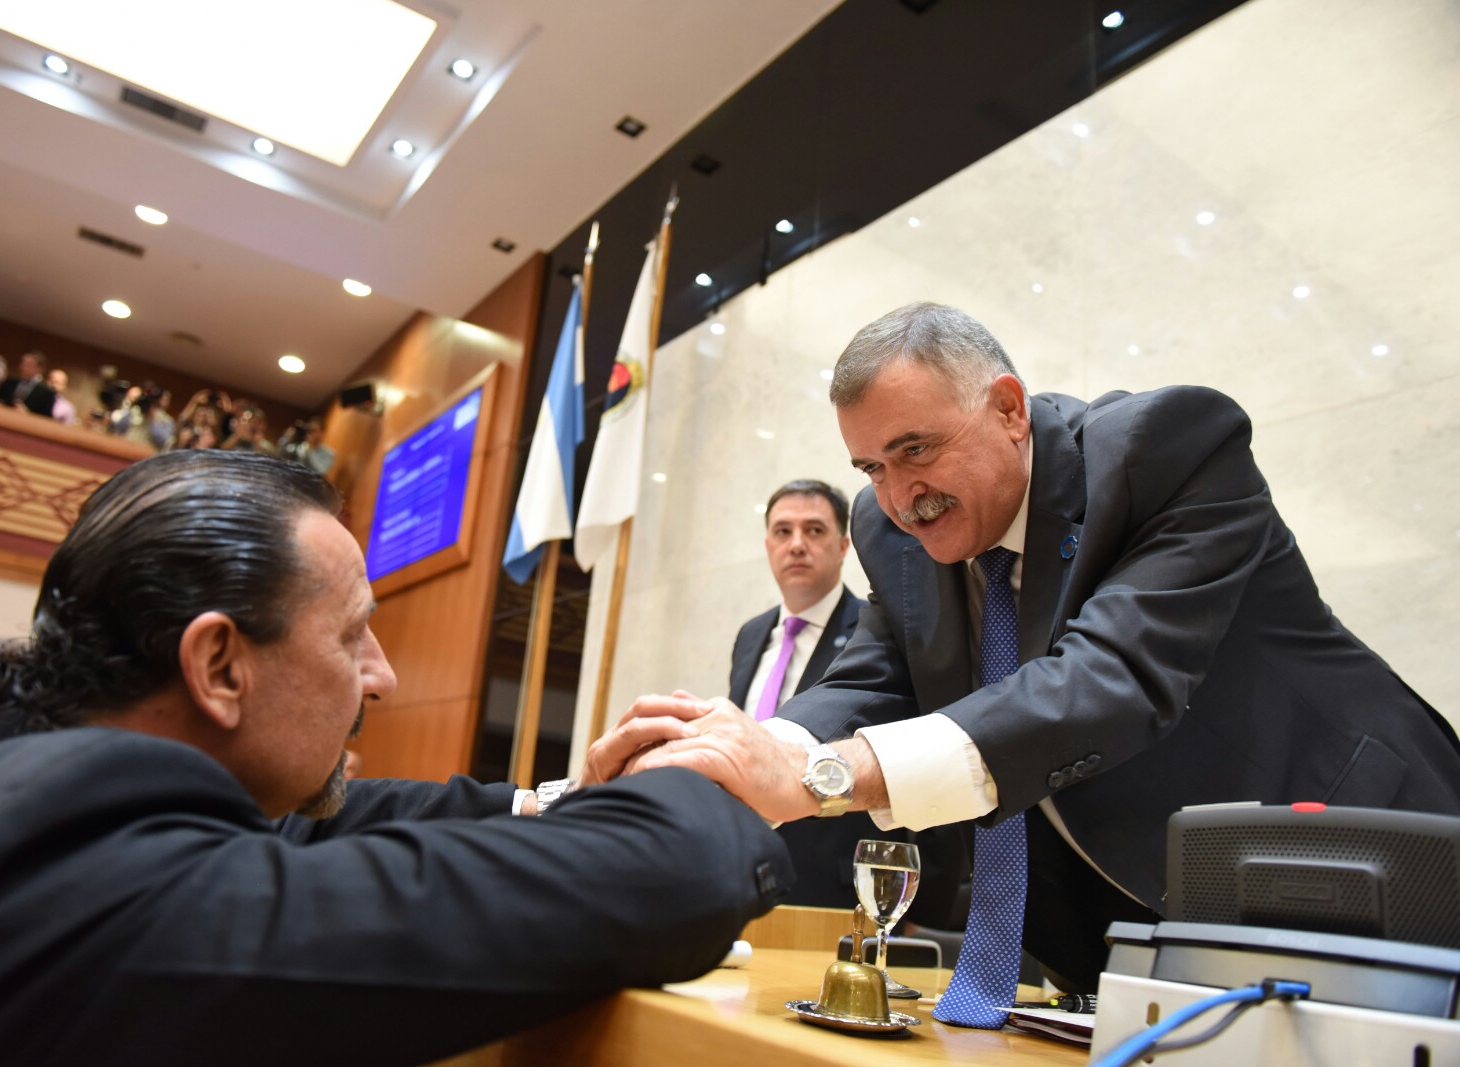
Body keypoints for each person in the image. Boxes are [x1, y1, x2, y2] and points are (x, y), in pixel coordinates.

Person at [609, 301, 1460, 1002]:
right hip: (1128, 941)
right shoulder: (892, 532)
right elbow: (877, 674)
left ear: (1011, 409)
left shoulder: (1166, 451)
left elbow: (1107, 680)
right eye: (871, 467)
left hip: (1364, 869)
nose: (899, 496)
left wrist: (823, 776)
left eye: (916, 449)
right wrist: (747, 757)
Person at [0, 450, 789, 1066]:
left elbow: (324, 823)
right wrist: (704, 776)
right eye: (352, 636)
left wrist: (563, 800)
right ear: (219, 664)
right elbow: (663, 872)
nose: (381, 676)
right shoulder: (77, 885)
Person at [732, 478, 965, 921]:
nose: (796, 544)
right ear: (768, 545)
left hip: (840, 892)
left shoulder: (881, 629)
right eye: (783, 531)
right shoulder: (752, 636)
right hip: (742, 877)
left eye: (814, 530)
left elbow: (937, 747)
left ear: (843, 546)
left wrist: (920, 909)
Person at [0, 350, 57, 417]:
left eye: (28, 365)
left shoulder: (47, 392)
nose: (23, 367)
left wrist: (28, 414)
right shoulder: (10, 382)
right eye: (23, 364)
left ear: (39, 368)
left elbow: (46, 418)